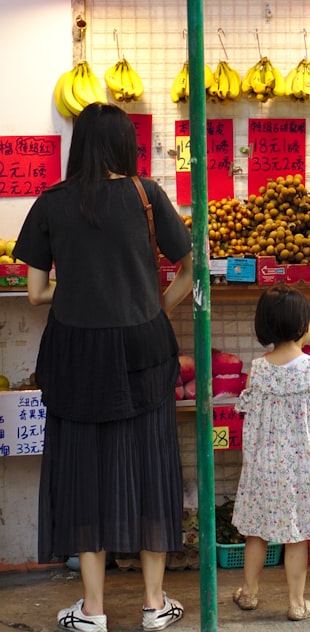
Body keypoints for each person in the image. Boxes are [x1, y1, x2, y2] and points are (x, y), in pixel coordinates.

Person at [13, 103, 194, 632]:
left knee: (82, 471)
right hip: (144, 347)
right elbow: (189, 269)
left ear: (79, 144)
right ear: (124, 145)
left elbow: (34, 293)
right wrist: (150, 306)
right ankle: (155, 605)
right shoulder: (146, 195)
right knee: (151, 465)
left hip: (76, 352)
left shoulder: (52, 203)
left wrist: (80, 291)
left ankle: (92, 611)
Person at [231, 285, 310, 621]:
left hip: (262, 466)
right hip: (300, 467)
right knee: (295, 537)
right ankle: (297, 604)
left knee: (256, 531)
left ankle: (250, 593)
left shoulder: (259, 368)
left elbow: (248, 411)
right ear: (303, 327)